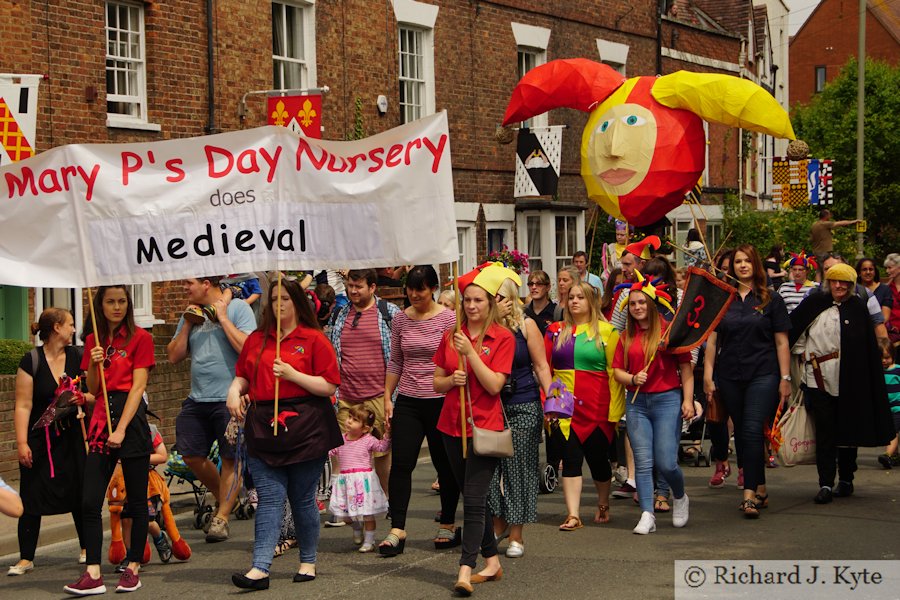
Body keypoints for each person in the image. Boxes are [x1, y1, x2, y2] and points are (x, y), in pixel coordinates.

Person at [227, 276, 342, 590]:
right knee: (269, 499)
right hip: (264, 424)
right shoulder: (257, 339)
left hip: (307, 424)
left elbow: (330, 385)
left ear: (297, 302)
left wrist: (293, 374)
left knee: (303, 499)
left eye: (285, 299)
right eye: (274, 298)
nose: (279, 305)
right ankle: (260, 568)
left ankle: (308, 560)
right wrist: (234, 391)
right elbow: (242, 376)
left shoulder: (314, 339)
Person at [66, 285, 155, 595]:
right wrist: (92, 361)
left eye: (121, 301)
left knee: (136, 502)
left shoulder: (141, 338)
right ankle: (92, 572)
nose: (116, 307)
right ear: (100, 306)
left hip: (130, 420)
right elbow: (92, 388)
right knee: (89, 499)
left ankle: (132, 567)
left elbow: (137, 386)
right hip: (101, 419)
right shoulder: (92, 340)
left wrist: (122, 428)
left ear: (128, 305)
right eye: (110, 301)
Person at [433, 264, 515, 595]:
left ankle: (465, 569)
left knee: (475, 501)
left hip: (485, 429)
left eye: (478, 300)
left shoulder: (504, 337)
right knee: (472, 496)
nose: (471, 306)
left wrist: (471, 355)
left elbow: (495, 384)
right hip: (450, 426)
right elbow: (436, 381)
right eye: (467, 300)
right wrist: (451, 380)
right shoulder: (450, 335)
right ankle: (492, 562)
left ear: (491, 303)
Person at [789, 263, 895, 504]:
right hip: (817, 377)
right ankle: (825, 483)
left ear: (851, 285)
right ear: (828, 282)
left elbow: (866, 345)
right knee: (825, 431)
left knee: (849, 428)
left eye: (844, 283)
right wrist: (805, 354)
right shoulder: (814, 303)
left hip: (850, 377)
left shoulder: (858, 308)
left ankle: (846, 478)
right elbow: (793, 332)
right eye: (835, 281)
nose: (839, 286)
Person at [703, 246, 791, 518]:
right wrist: (707, 375)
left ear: (756, 265)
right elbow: (713, 340)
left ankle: (749, 496)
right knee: (742, 433)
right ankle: (761, 486)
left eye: (746, 261)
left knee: (752, 430)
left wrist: (786, 377)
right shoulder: (723, 299)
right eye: (737, 262)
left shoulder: (770, 299)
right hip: (729, 375)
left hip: (763, 373)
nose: (742, 266)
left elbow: (781, 341)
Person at [167, 276, 256, 543]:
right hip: (197, 398)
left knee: (231, 458)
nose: (185, 288)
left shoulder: (238, 308)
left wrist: (223, 317)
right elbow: (173, 356)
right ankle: (228, 499)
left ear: (207, 283)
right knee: (190, 454)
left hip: (229, 398)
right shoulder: (190, 314)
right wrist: (186, 326)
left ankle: (222, 517)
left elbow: (248, 350)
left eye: (189, 283)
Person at [381, 265, 459, 555]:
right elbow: (396, 362)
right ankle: (397, 528)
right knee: (402, 464)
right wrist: (388, 396)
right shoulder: (400, 320)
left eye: (421, 289)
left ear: (433, 289)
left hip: (441, 398)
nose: (414, 294)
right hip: (409, 399)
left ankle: (448, 523)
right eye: (410, 289)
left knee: (445, 464)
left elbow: (454, 358)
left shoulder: (449, 318)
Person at [612, 273, 694, 534]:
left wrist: (689, 400)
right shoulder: (625, 337)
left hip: (667, 400)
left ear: (651, 303)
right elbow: (617, 372)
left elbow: (686, 367)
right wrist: (633, 378)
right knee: (644, 462)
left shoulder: (669, 332)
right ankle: (647, 513)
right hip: (636, 403)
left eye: (641, 303)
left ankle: (680, 496)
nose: (637, 307)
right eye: (633, 303)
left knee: (667, 461)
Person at [12, 308, 87, 576]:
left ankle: (86, 548)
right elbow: (22, 405)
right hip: (40, 438)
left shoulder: (79, 357)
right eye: (70, 324)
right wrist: (22, 443)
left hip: (74, 436)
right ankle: (26, 557)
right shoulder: (30, 361)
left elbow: (95, 391)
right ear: (56, 328)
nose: (73, 330)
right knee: (32, 493)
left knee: (80, 490)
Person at [546, 283, 623, 532]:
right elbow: (545, 369)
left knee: (598, 460)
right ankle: (573, 514)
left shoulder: (608, 332)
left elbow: (614, 373)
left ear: (592, 302)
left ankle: (602, 503)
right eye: (571, 297)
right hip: (563, 404)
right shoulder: (555, 331)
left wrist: (615, 410)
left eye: (581, 297)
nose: (575, 301)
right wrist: (547, 405)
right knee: (570, 459)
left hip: (597, 405)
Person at [488, 277, 552, 558]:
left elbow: (541, 366)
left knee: (518, 470)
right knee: (488, 473)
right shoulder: (484, 329)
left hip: (523, 403)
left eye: (500, 298)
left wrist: (552, 403)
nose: (495, 303)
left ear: (512, 298)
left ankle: (516, 534)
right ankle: (498, 520)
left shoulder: (526, 325)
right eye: (492, 298)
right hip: (489, 407)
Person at [328, 269, 400, 496]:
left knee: (381, 455)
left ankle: (387, 499)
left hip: (378, 395)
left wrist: (393, 396)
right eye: (350, 285)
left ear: (372, 287)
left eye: (358, 286)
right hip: (346, 397)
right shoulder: (339, 314)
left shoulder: (389, 312)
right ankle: (345, 504)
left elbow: (400, 355)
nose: (352, 291)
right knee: (343, 453)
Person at [328, 405, 391, 553]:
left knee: (368, 514)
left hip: (364, 482)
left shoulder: (368, 440)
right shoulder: (340, 439)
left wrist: (387, 434)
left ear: (365, 428)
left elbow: (382, 447)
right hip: (345, 482)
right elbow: (330, 451)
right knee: (346, 515)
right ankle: (356, 527)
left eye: (355, 420)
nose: (349, 421)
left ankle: (369, 541)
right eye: (350, 417)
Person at [113, 425, 173, 571]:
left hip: (147, 484)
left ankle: (159, 538)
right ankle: (130, 555)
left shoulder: (149, 430)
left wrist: (136, 459)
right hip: (123, 484)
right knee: (126, 519)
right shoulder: (114, 430)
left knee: (146, 520)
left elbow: (162, 456)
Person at [877, 338, 900, 469]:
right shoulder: (878, 372)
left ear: (893, 356)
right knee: (893, 432)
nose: (884, 361)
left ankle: (887, 455)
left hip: (898, 407)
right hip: (887, 408)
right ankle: (895, 456)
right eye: (881, 358)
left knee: (893, 433)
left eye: (887, 357)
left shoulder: (897, 370)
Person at [523, 269, 556, 336]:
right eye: (531, 284)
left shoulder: (557, 312)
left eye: (539, 284)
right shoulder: (522, 311)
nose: (534, 287)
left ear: (548, 287)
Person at [885, 254, 900, 355]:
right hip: (893, 336)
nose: (887, 271)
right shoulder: (886, 288)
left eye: (890, 268)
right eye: (886, 268)